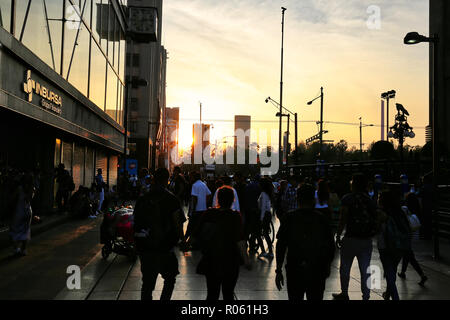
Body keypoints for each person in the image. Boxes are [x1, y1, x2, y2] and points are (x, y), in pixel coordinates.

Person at [133, 168, 186, 300]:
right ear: (167, 180)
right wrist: (183, 240)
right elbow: (178, 223)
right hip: (165, 248)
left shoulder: (143, 199)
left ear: (153, 179)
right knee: (169, 279)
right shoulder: (172, 199)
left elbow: (136, 223)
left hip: (145, 247)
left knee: (147, 284)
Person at [275, 184, 335, 300]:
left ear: (297, 199)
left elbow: (281, 246)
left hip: (295, 269)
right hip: (316, 270)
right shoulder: (322, 219)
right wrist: (326, 266)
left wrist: (278, 270)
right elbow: (330, 247)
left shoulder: (289, 218)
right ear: (313, 199)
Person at [195, 186, 251, 301]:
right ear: (232, 200)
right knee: (228, 294)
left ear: (218, 199)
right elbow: (240, 241)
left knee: (212, 294)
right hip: (230, 261)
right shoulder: (235, 216)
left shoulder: (209, 213)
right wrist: (246, 260)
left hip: (211, 260)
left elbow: (196, 233)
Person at [333, 173, 380, 300]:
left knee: (345, 267)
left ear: (353, 184)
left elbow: (343, 219)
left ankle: (344, 293)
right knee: (365, 269)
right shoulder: (369, 200)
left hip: (350, 238)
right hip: (366, 240)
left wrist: (338, 235)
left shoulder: (347, 199)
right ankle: (366, 295)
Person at [377, 189, 411, 300]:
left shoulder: (382, 213)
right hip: (400, 246)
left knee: (389, 274)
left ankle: (395, 297)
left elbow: (376, 229)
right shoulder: (400, 212)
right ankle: (387, 294)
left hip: (386, 247)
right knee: (392, 270)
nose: (377, 199)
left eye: (379, 197)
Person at [397, 192, 428, 286]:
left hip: (406, 239)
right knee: (408, 256)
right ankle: (403, 272)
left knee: (410, 258)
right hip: (412, 238)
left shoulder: (404, 209)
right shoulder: (414, 212)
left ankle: (422, 275)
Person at [9, 173, 35, 257]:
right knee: (25, 230)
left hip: (19, 211)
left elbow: (12, 199)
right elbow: (30, 199)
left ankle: (16, 248)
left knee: (15, 230)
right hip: (28, 211)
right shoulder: (32, 189)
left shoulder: (19, 188)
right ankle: (24, 249)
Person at [185, 172, 211, 248]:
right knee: (198, 227)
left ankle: (186, 241)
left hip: (196, 210)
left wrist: (193, 210)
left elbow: (194, 198)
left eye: (191, 177)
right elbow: (209, 194)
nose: (190, 178)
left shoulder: (194, 185)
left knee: (191, 226)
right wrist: (204, 202)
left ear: (194, 178)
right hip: (203, 209)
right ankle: (195, 242)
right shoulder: (203, 184)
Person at [256, 178, 274, 259]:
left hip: (264, 214)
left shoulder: (263, 193)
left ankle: (264, 251)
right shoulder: (268, 193)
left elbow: (262, 207)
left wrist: (261, 218)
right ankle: (270, 251)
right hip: (268, 214)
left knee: (260, 233)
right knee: (266, 233)